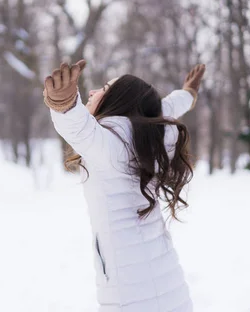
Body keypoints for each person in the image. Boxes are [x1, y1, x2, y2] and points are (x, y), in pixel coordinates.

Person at [43, 60, 205, 312]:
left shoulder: (110, 143)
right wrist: (188, 93)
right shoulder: (151, 133)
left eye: (104, 89)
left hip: (131, 297)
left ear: (118, 101)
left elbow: (80, 129)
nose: (93, 92)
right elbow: (168, 105)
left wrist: (65, 105)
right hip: (169, 289)